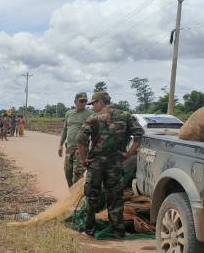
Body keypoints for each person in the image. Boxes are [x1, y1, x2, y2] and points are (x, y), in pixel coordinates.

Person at [77, 91, 144, 237]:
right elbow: (139, 134)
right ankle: (118, 230)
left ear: (100, 102)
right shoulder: (126, 116)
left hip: (95, 164)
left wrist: (83, 159)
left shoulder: (94, 118)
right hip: (115, 164)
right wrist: (128, 154)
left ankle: (89, 230)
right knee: (115, 198)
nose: (93, 107)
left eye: (94, 104)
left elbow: (81, 138)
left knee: (91, 197)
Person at [59, 92, 94, 187]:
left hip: (81, 150)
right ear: (75, 102)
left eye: (85, 101)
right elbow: (65, 129)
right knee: (68, 173)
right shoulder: (69, 113)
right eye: (81, 101)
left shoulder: (90, 114)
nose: (84, 103)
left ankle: (77, 195)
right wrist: (60, 145)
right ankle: (73, 193)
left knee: (77, 176)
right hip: (69, 148)